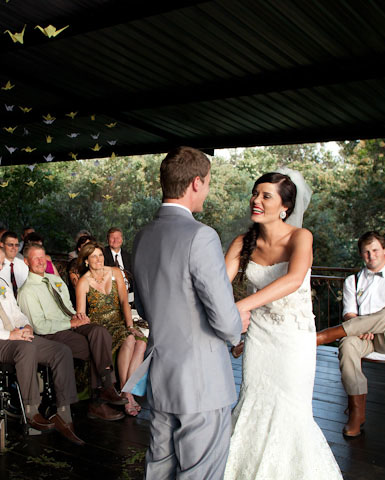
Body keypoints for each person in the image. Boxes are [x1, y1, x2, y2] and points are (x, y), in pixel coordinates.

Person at [131, 146, 244, 478]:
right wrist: (238, 323)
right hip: (201, 382)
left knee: (158, 470)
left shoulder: (142, 236)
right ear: (196, 182)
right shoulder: (201, 236)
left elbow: (146, 306)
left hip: (161, 377)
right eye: (207, 183)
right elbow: (225, 322)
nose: (206, 190)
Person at [222, 170, 341, 479]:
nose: (256, 200)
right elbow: (217, 287)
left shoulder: (301, 237)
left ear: (285, 207)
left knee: (291, 410)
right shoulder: (242, 242)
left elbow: (294, 279)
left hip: (294, 340)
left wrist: (241, 307)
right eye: (255, 193)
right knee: (253, 402)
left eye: (266, 196)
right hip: (259, 338)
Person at [0, 244, 84, 444]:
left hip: (16, 335)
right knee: (27, 348)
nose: (0, 267)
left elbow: (15, 312)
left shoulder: (0, 283)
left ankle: (64, 413)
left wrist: (26, 325)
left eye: (2, 263)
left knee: (60, 351)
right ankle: (31, 411)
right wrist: (8, 335)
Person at [317, 231, 385, 437]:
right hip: (364, 339)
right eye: (366, 252)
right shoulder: (352, 281)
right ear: (361, 254)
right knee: (347, 344)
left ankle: (325, 336)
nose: (371, 256)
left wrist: (370, 326)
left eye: (375, 250)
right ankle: (357, 413)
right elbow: (349, 315)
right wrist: (363, 328)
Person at [18, 244, 126, 422]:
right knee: (93, 347)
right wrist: (70, 323)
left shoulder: (55, 280)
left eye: (42, 257)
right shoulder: (27, 291)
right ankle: (98, 400)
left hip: (70, 322)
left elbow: (68, 306)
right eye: (35, 258)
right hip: (52, 332)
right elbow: (39, 327)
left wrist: (77, 316)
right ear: (26, 262)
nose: (40, 261)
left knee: (100, 332)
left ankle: (107, 387)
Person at [76, 242, 146, 416]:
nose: (98, 259)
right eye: (93, 256)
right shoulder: (83, 282)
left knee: (141, 342)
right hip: (101, 325)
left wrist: (130, 326)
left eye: (100, 255)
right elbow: (81, 315)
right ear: (86, 261)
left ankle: (126, 391)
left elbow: (124, 301)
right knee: (129, 339)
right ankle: (126, 391)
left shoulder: (115, 272)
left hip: (119, 320)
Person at [0, 231, 29, 298]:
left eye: (16, 245)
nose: (14, 248)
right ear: (2, 244)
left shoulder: (23, 264)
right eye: (10, 245)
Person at [103, 227, 132, 292]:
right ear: (107, 239)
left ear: (122, 239)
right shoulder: (102, 255)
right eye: (112, 237)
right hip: (110, 292)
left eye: (118, 237)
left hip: (129, 292)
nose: (115, 240)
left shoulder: (128, 256)